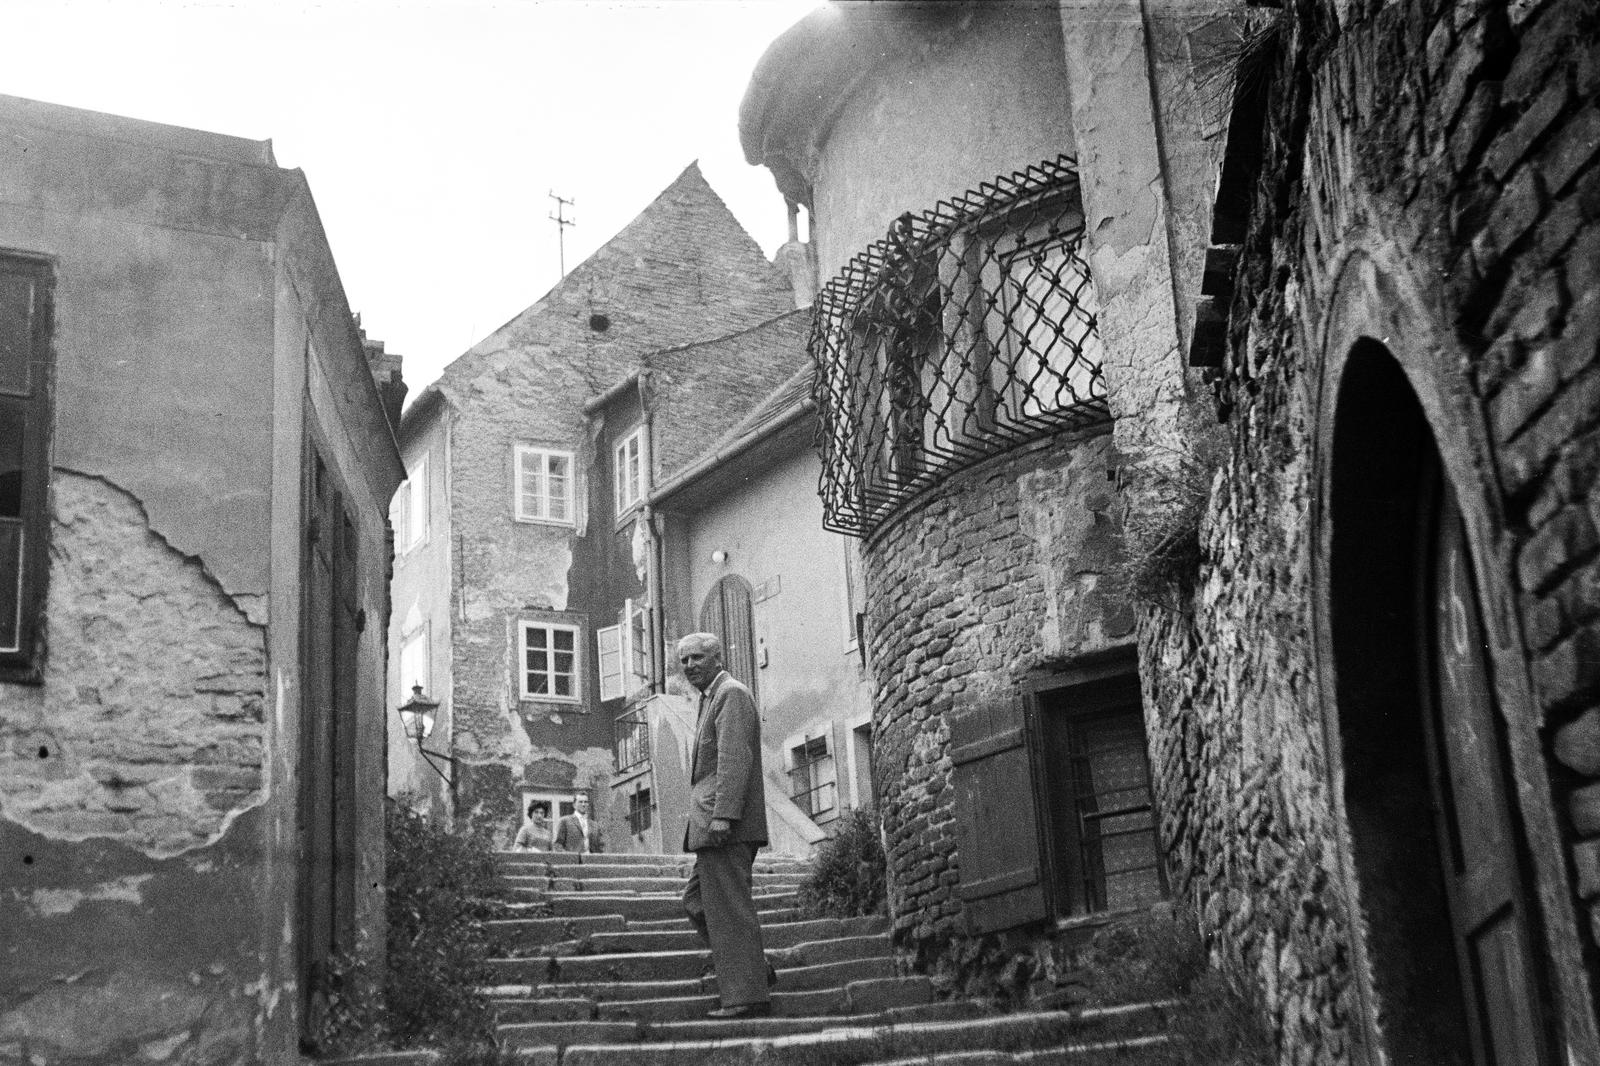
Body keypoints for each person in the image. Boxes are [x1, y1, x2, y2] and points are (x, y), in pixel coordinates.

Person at [678, 632, 775, 1019]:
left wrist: (723, 814)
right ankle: (755, 971)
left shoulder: (731, 693)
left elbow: (734, 758)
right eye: (683, 661)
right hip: (712, 824)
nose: (689, 667)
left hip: (725, 825)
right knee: (697, 901)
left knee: (730, 908)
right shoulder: (712, 698)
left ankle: (746, 997)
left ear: (717, 658)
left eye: (697, 658)